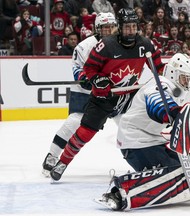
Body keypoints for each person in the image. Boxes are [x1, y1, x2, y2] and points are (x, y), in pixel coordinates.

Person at [49, 7, 165, 181]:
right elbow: (89, 68)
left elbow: (159, 68)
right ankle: (63, 162)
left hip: (128, 98)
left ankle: (153, 163)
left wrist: (173, 76)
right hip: (103, 97)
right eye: (127, 27)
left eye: (134, 27)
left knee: (142, 129)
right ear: (120, 27)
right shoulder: (107, 46)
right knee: (85, 132)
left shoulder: (145, 45)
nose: (131, 31)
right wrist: (97, 80)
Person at [96, 53, 190, 210]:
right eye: (185, 78)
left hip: (156, 140)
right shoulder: (158, 85)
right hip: (135, 141)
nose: (188, 82)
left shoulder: (184, 92)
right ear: (173, 73)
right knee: (177, 175)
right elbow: (157, 104)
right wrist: (172, 112)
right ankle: (118, 193)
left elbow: (179, 120)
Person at [42, 12, 117, 177]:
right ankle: (52, 156)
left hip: (113, 92)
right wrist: (83, 78)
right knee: (74, 122)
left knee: (127, 123)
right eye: (106, 27)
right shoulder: (84, 46)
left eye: (112, 26)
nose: (110, 30)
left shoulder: (121, 45)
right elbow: (77, 67)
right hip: (87, 92)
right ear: (98, 28)